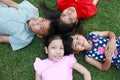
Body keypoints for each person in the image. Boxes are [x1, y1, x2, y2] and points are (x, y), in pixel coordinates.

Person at [0, 0, 72, 51]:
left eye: (41, 27)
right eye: (42, 20)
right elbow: (12, 4)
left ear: (39, 35)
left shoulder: (24, 39)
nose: (38, 22)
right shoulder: (32, 10)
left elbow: (2, 38)